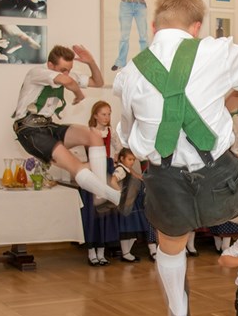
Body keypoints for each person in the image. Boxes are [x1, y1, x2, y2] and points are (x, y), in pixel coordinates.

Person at [113, 0, 238, 316]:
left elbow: (126, 133)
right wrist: (228, 96)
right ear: (196, 27)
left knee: (170, 246)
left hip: (165, 177)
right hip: (218, 173)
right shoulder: (215, 52)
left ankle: (178, 308)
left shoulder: (129, 74)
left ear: (154, 28)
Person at [11, 44, 126, 212]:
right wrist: (79, 94)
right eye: (63, 69)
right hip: (29, 129)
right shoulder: (37, 73)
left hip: (48, 125)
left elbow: (98, 82)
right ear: (51, 65)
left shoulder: (66, 74)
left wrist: (91, 62)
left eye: (69, 69)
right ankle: (113, 196)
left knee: (93, 135)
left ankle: (100, 192)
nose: (67, 73)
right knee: (76, 165)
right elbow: (66, 81)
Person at [80, 101, 122, 266]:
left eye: (109, 114)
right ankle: (91, 252)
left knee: (105, 212)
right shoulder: (87, 132)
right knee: (92, 213)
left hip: (107, 173)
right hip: (92, 173)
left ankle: (102, 252)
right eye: (103, 114)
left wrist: (117, 159)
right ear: (95, 115)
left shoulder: (111, 132)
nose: (107, 117)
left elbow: (119, 149)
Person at [112, 148, 149, 262]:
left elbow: (137, 175)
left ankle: (127, 252)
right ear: (122, 159)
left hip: (132, 203)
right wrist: (120, 194)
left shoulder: (127, 169)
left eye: (133, 159)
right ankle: (126, 253)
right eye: (129, 159)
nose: (132, 162)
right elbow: (113, 181)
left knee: (133, 229)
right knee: (127, 229)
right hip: (126, 204)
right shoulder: (120, 170)